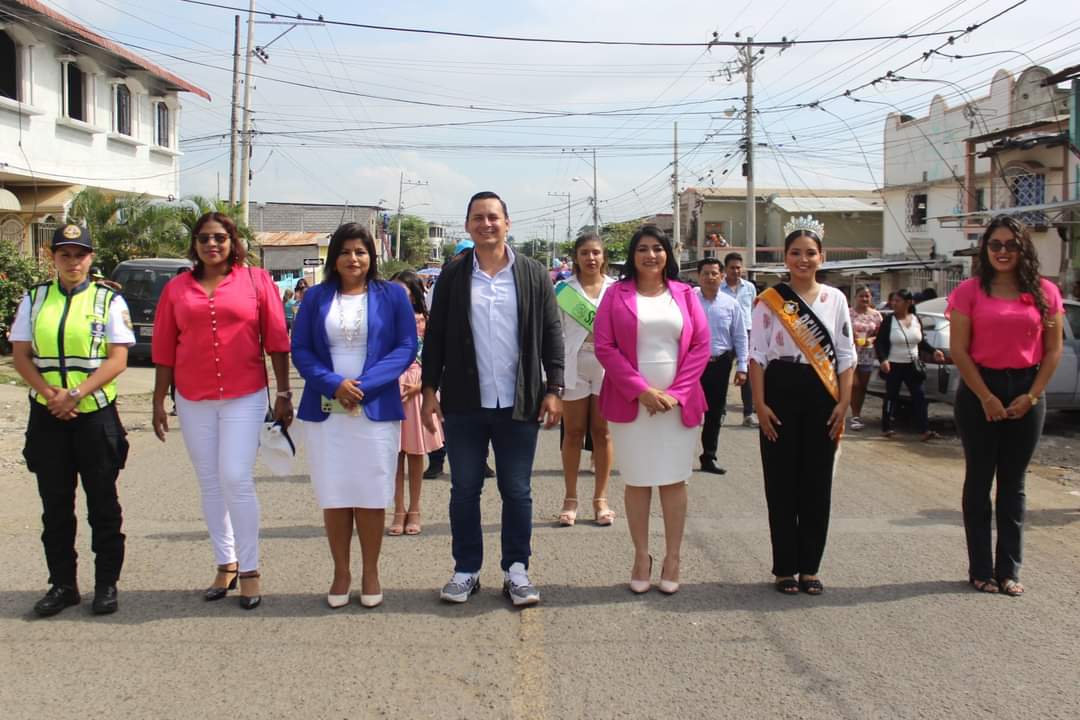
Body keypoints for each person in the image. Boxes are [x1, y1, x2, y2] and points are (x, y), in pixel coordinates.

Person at [421, 191, 564, 607]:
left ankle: (516, 570)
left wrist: (554, 389)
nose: (486, 224)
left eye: (493, 217)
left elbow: (551, 333)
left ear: (507, 223)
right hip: (464, 403)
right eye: (478, 218)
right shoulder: (452, 275)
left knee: (516, 490)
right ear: (468, 225)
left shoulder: (533, 274)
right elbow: (436, 336)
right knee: (464, 489)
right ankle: (466, 570)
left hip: (519, 402)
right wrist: (429, 389)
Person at [151, 212, 292, 611]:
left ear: (232, 242)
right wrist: (159, 400)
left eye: (219, 238)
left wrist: (284, 393)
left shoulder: (256, 281)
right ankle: (225, 562)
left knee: (235, 477)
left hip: (245, 394)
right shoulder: (177, 288)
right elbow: (164, 348)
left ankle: (250, 568)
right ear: (194, 244)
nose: (211, 245)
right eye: (203, 238)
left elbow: (277, 340)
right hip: (193, 398)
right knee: (210, 482)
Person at [12, 224, 135, 616]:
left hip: (94, 415)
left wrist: (76, 394)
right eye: (64, 254)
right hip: (48, 414)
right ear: (52, 257)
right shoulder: (35, 298)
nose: (72, 262)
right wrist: (51, 395)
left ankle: (106, 585)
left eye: (80, 254)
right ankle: (62, 585)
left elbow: (118, 358)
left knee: (103, 505)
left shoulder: (107, 300)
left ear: (90, 258)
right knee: (55, 508)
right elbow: (20, 355)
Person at [291, 224, 417, 608]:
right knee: (335, 492)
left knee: (371, 492)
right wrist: (334, 384)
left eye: (360, 251)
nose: (353, 258)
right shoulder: (316, 297)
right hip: (327, 410)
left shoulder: (392, 295)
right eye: (345, 251)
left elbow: (405, 346)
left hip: (374, 408)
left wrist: (362, 386)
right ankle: (341, 572)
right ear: (334, 258)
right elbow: (301, 348)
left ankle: (371, 572)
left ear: (371, 257)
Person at [948, 215, 1064, 597]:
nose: (1002, 251)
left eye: (1011, 245)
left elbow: (1053, 351)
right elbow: (959, 350)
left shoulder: (1046, 292)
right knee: (979, 480)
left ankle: (1009, 571)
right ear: (985, 249)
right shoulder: (968, 292)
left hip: (1027, 391)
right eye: (995, 244)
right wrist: (986, 396)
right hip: (979, 389)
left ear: (1023, 249)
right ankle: (981, 570)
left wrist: (1031, 396)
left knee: (1013, 484)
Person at [594, 225, 710, 595]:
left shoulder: (685, 294)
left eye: (657, 248)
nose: (651, 255)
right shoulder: (616, 294)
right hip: (631, 403)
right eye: (643, 248)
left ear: (667, 254)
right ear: (633, 255)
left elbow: (701, 346)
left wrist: (676, 393)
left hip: (679, 404)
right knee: (638, 480)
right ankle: (641, 556)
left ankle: (673, 558)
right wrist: (641, 390)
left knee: (674, 479)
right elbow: (604, 346)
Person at [749, 216, 855, 596]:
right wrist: (759, 404)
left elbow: (846, 354)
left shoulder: (835, 299)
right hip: (780, 387)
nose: (803, 260)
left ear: (821, 257)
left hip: (822, 392)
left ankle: (810, 567)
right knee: (780, 482)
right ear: (785, 258)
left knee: (817, 482)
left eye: (810, 253)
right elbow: (757, 355)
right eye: (795, 253)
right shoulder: (770, 301)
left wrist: (844, 402)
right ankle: (784, 569)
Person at [555, 232, 616, 527]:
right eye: (584, 253)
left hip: (608, 368)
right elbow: (554, 332)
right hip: (574, 366)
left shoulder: (617, 290)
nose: (591, 258)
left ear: (603, 257)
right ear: (576, 258)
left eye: (595, 252)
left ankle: (600, 499)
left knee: (602, 433)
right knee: (574, 432)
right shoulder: (563, 291)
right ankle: (570, 499)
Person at [388, 269, 443, 536]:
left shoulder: (427, 321)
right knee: (394, 454)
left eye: (402, 290)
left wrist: (422, 386)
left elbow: (439, 360)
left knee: (416, 452)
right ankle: (398, 510)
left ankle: (415, 508)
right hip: (390, 388)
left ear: (413, 293)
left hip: (418, 388)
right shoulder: (382, 320)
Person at [695, 257, 748, 475]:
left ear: (722, 276)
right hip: (692, 364)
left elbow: (740, 336)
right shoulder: (689, 300)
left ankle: (709, 457)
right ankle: (679, 458)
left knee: (715, 412)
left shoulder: (731, 304)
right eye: (705, 273)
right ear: (698, 276)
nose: (710, 277)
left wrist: (742, 366)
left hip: (720, 363)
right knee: (687, 412)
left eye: (714, 273)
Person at [874, 289, 945, 440]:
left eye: (898, 301)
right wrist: (883, 359)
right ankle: (886, 427)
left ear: (908, 303)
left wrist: (934, 351)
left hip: (912, 365)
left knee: (919, 396)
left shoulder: (916, 319)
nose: (894, 304)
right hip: (894, 365)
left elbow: (921, 342)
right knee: (891, 396)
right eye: (893, 301)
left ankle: (924, 429)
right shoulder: (889, 320)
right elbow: (880, 342)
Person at [719, 253, 758, 427]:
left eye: (738, 267)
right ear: (725, 269)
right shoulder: (719, 288)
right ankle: (720, 411)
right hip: (725, 334)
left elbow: (754, 311)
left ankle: (748, 414)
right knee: (722, 373)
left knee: (746, 375)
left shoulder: (749, 288)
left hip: (746, 334)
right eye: (732, 268)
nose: (736, 271)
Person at [848, 285, 882, 431]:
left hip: (867, 354)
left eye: (867, 296)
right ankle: (852, 415)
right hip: (850, 353)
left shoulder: (876, 315)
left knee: (862, 387)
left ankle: (857, 415)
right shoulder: (848, 313)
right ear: (855, 297)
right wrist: (851, 337)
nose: (864, 299)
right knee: (854, 385)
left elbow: (880, 334)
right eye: (861, 296)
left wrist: (872, 339)